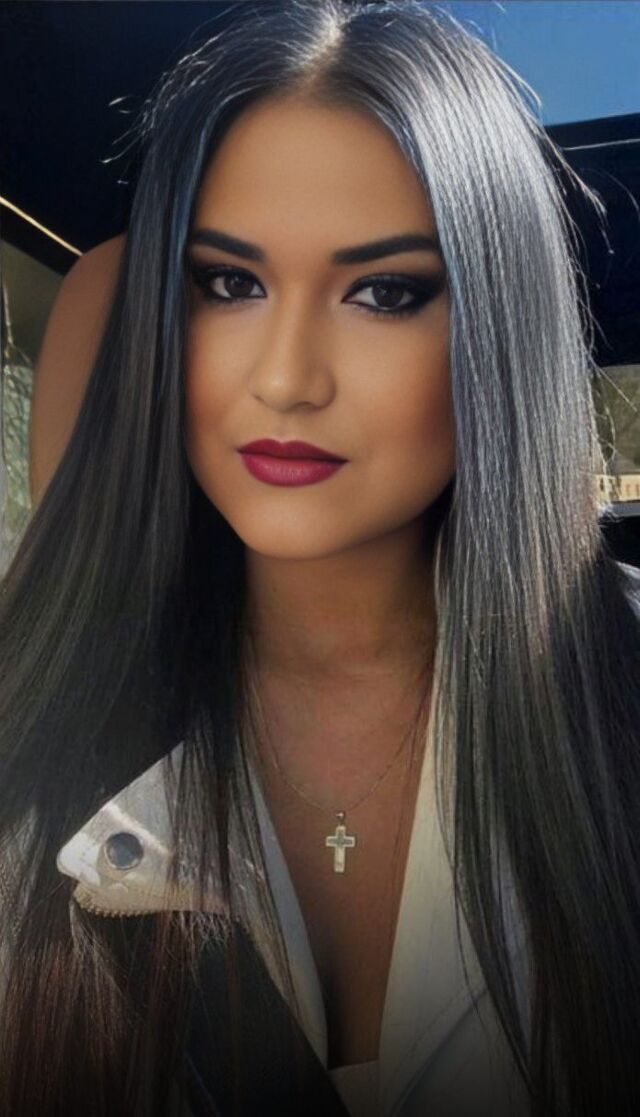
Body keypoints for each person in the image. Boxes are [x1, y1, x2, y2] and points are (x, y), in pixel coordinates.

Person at [2, 1, 639, 1114]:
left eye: (385, 292)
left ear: (500, 330)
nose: (287, 378)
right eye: (229, 284)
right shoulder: (34, 716)